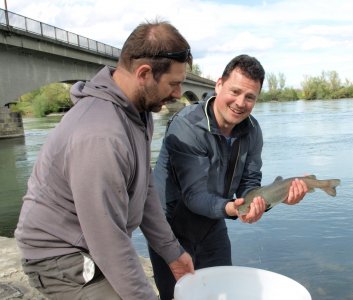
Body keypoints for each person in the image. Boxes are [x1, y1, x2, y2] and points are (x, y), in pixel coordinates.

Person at [14, 20, 195, 300]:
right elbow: (107, 239)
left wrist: (173, 252)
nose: (178, 94)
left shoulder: (138, 113)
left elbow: (144, 188)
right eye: (173, 83)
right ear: (144, 73)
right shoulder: (101, 135)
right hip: (60, 258)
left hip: (91, 243)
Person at [148, 54, 309, 300]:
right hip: (170, 229)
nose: (240, 103)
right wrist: (232, 209)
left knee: (222, 295)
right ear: (219, 84)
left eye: (250, 97)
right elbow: (194, 195)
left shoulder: (252, 131)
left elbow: (249, 185)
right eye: (235, 91)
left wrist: (271, 200)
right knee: (178, 297)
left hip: (212, 226)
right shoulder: (187, 126)